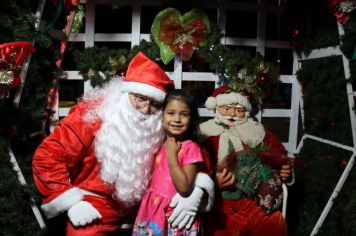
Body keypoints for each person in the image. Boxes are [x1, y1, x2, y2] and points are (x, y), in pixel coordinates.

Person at [32, 52, 214, 235]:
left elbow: (195, 153)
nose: (146, 109)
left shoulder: (161, 120)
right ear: (126, 92)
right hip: (97, 202)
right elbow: (48, 156)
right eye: (140, 98)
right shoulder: (94, 114)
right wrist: (72, 202)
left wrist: (197, 189)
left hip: (152, 204)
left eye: (154, 103)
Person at [199, 85, 293, 236]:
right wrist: (213, 184)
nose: (233, 114)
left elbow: (279, 155)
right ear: (216, 107)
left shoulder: (256, 131)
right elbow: (192, 168)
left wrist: (285, 169)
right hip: (216, 202)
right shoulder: (204, 133)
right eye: (227, 108)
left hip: (251, 200)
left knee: (273, 225)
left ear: (246, 111)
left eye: (239, 109)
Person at [132, 89, 208, 236]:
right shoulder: (159, 142)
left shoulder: (190, 148)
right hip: (154, 211)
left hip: (175, 216)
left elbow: (184, 187)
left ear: (192, 119)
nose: (177, 119)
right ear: (162, 115)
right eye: (171, 113)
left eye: (184, 114)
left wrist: (172, 155)